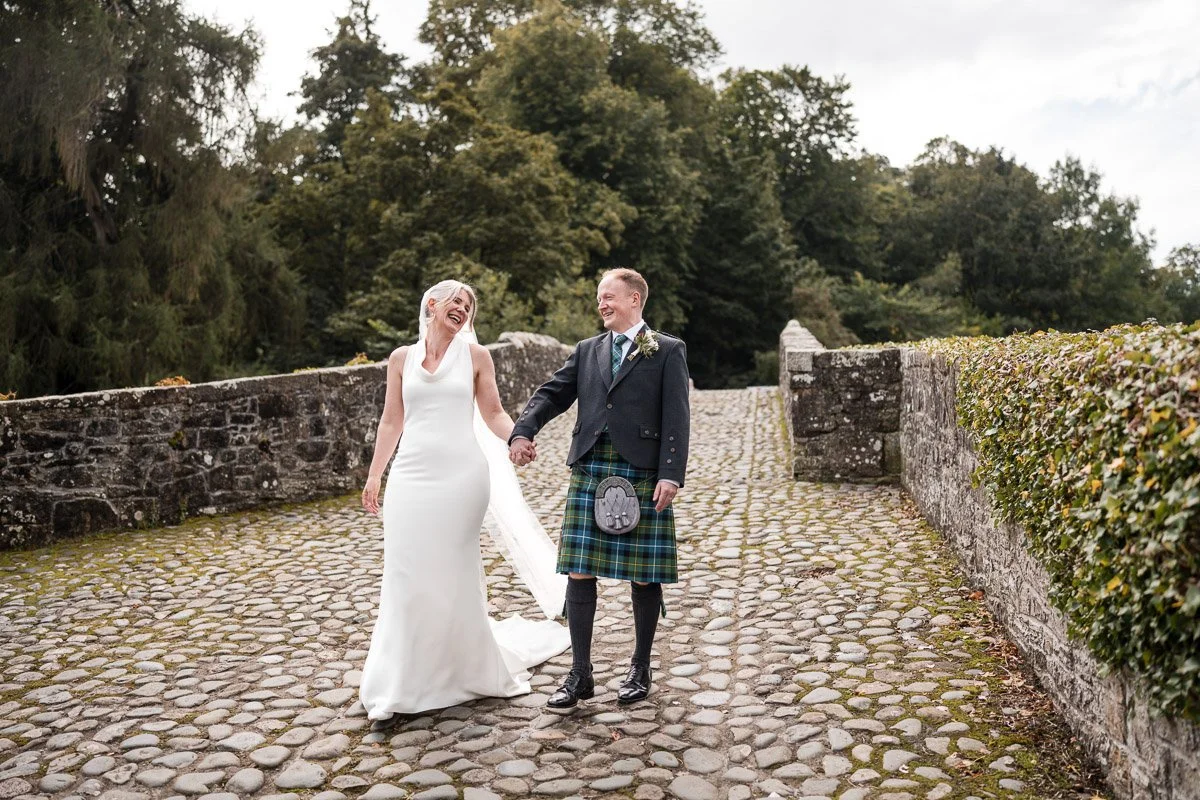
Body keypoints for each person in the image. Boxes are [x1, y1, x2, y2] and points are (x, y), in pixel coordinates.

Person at [358, 280, 569, 723]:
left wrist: (518, 437)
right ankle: (405, 675)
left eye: (469, 306)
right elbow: (391, 420)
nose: (463, 308)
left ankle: (460, 667)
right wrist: (376, 475)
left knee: (453, 570)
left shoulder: (476, 357)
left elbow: (492, 412)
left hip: (462, 478)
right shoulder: (401, 359)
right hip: (411, 478)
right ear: (431, 305)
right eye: (457, 300)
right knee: (405, 572)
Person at [509, 268, 691, 708]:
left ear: (634, 299)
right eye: (598, 298)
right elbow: (553, 393)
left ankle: (641, 666)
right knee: (579, 570)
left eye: (609, 297)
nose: (602, 304)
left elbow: (677, 415)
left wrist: (671, 472)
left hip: (643, 472)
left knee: (644, 575)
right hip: (591, 467)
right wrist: (522, 431)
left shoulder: (666, 350)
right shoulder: (588, 350)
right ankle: (580, 674)